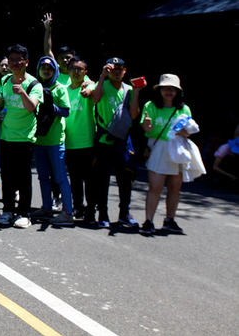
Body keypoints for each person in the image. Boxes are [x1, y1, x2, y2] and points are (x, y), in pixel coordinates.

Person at [88, 56, 141, 228]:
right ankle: (102, 214)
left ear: (124, 71)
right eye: (113, 69)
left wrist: (137, 91)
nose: (117, 72)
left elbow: (134, 115)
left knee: (125, 179)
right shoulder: (102, 85)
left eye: (120, 69)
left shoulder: (128, 90)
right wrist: (102, 77)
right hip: (104, 140)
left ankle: (124, 213)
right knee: (102, 179)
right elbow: (95, 99)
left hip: (123, 141)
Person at [0, 44, 43, 228]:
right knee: (6, 176)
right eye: (11, 60)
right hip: (6, 136)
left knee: (24, 178)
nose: (14, 63)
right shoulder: (6, 80)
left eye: (18, 60)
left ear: (26, 62)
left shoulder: (34, 84)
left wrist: (22, 92)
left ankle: (24, 214)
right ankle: (7, 211)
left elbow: (32, 107)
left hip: (25, 138)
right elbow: (2, 102)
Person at [139, 74, 193, 235]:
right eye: (166, 88)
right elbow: (147, 129)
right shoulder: (151, 105)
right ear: (160, 90)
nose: (169, 92)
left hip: (177, 149)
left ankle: (170, 219)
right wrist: (147, 125)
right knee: (155, 187)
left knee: (175, 188)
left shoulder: (183, 108)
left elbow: (188, 132)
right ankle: (148, 221)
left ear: (178, 92)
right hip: (158, 147)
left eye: (172, 89)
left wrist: (184, 131)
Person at [32, 56, 74, 227]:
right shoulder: (35, 87)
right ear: (39, 70)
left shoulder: (60, 88)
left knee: (60, 177)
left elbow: (65, 111)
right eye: (43, 68)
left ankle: (68, 212)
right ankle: (47, 207)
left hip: (56, 140)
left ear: (54, 70)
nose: (46, 71)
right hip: (39, 139)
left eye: (49, 68)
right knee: (43, 177)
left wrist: (52, 107)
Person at [63, 56, 96, 221]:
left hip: (88, 142)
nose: (76, 72)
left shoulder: (90, 85)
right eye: (73, 69)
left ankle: (91, 209)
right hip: (69, 142)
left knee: (90, 180)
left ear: (85, 72)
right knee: (74, 179)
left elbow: (92, 89)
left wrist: (88, 88)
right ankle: (78, 207)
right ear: (67, 71)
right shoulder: (64, 90)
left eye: (80, 69)